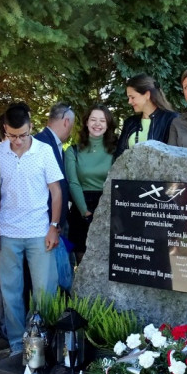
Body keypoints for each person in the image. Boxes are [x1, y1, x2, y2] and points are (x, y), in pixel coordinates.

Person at [0, 102, 64, 355]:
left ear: (31, 127)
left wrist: (54, 226)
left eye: (23, 135)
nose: (18, 141)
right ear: (5, 129)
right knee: (10, 292)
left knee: (44, 292)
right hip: (7, 231)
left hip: (39, 231)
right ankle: (16, 344)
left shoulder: (45, 151)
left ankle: (44, 342)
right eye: (12, 135)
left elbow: (56, 192)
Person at [64, 105, 116, 262]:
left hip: (107, 205)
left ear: (107, 125)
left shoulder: (116, 150)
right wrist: (85, 212)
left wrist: (104, 210)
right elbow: (73, 182)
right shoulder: (72, 151)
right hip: (81, 207)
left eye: (102, 120)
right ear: (86, 122)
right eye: (93, 120)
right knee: (82, 256)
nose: (97, 124)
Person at [34, 103, 75, 291]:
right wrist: (54, 223)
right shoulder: (42, 143)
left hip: (52, 224)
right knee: (48, 280)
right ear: (67, 122)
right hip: (46, 225)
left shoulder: (55, 144)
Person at [114, 74, 177, 159]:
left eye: (132, 97)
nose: (129, 101)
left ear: (147, 94)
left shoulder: (171, 119)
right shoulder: (130, 123)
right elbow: (119, 157)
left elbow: (174, 157)